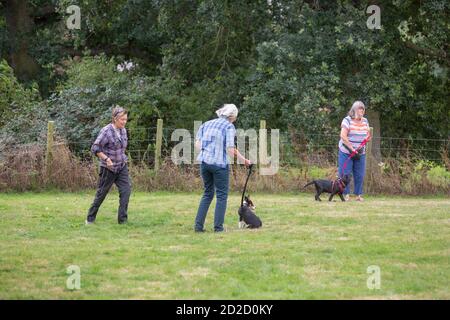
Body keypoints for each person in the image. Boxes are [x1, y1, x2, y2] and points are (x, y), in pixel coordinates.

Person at [194, 104, 251, 232]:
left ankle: (198, 227)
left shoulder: (207, 124)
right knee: (221, 196)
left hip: (204, 163)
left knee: (207, 194)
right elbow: (231, 150)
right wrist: (245, 160)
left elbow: (197, 144)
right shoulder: (229, 127)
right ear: (232, 116)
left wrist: (206, 151)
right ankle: (218, 228)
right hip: (219, 165)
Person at [86, 106, 131, 224]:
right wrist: (106, 159)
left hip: (121, 167)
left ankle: (123, 221)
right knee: (101, 194)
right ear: (115, 119)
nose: (124, 122)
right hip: (108, 168)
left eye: (126, 119)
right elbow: (95, 148)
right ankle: (90, 219)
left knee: (126, 191)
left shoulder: (123, 131)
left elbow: (121, 148)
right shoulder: (106, 131)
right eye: (122, 120)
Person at [338, 101, 371, 201]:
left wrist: (367, 138)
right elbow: (343, 136)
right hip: (346, 151)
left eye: (363, 109)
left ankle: (358, 195)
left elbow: (368, 134)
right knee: (345, 173)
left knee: (360, 174)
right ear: (354, 110)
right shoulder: (347, 120)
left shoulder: (365, 121)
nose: (362, 111)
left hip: (360, 152)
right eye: (359, 109)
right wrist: (352, 148)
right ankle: (345, 194)